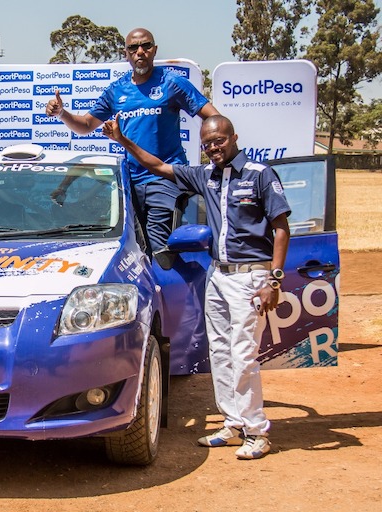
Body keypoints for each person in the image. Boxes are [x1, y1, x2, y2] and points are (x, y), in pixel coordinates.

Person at [102, 113, 291, 460]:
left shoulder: (260, 174)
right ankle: (232, 424)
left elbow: (281, 228)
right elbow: (159, 166)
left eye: (218, 140)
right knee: (218, 351)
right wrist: (123, 141)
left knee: (244, 355)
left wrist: (274, 280)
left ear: (233, 137)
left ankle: (257, 431)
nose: (213, 148)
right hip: (218, 275)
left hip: (251, 276)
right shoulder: (207, 176)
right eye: (206, 144)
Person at [46, 27, 219, 256]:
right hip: (129, 183)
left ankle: (166, 289)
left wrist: (213, 148)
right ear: (126, 54)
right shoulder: (116, 90)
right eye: (133, 48)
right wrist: (62, 113)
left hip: (165, 178)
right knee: (134, 249)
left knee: (159, 245)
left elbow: (214, 117)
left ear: (154, 50)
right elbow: (85, 125)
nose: (140, 52)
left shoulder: (172, 83)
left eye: (146, 46)